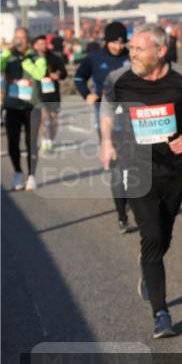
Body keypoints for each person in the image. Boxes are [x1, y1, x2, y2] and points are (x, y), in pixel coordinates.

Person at [100, 24, 182, 339]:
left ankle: (147, 266)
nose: (131, 53)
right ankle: (161, 314)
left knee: (163, 237)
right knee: (150, 236)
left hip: (174, 168)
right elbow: (107, 108)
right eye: (131, 48)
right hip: (135, 166)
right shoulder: (119, 79)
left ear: (160, 51)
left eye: (138, 49)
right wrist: (106, 141)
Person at [75, 21, 134, 233]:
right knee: (118, 165)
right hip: (107, 117)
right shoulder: (94, 59)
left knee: (134, 163)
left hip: (133, 116)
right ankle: (122, 215)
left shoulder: (132, 56)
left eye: (121, 43)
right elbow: (79, 77)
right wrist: (87, 94)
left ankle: (128, 197)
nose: (118, 47)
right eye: (114, 43)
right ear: (106, 41)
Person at [2, 30, 44, 191]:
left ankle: (31, 175)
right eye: (17, 39)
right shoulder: (9, 56)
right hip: (12, 105)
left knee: (31, 142)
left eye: (23, 39)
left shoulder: (37, 57)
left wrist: (25, 61)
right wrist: (7, 53)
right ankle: (18, 172)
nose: (20, 42)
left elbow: (39, 74)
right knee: (12, 142)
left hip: (32, 106)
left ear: (28, 41)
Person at [36, 35, 68, 154]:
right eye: (40, 44)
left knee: (54, 119)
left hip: (52, 93)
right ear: (35, 45)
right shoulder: (32, 58)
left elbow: (64, 73)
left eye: (44, 44)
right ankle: (44, 141)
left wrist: (58, 75)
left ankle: (51, 140)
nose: (43, 46)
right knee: (43, 118)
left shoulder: (54, 58)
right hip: (38, 93)